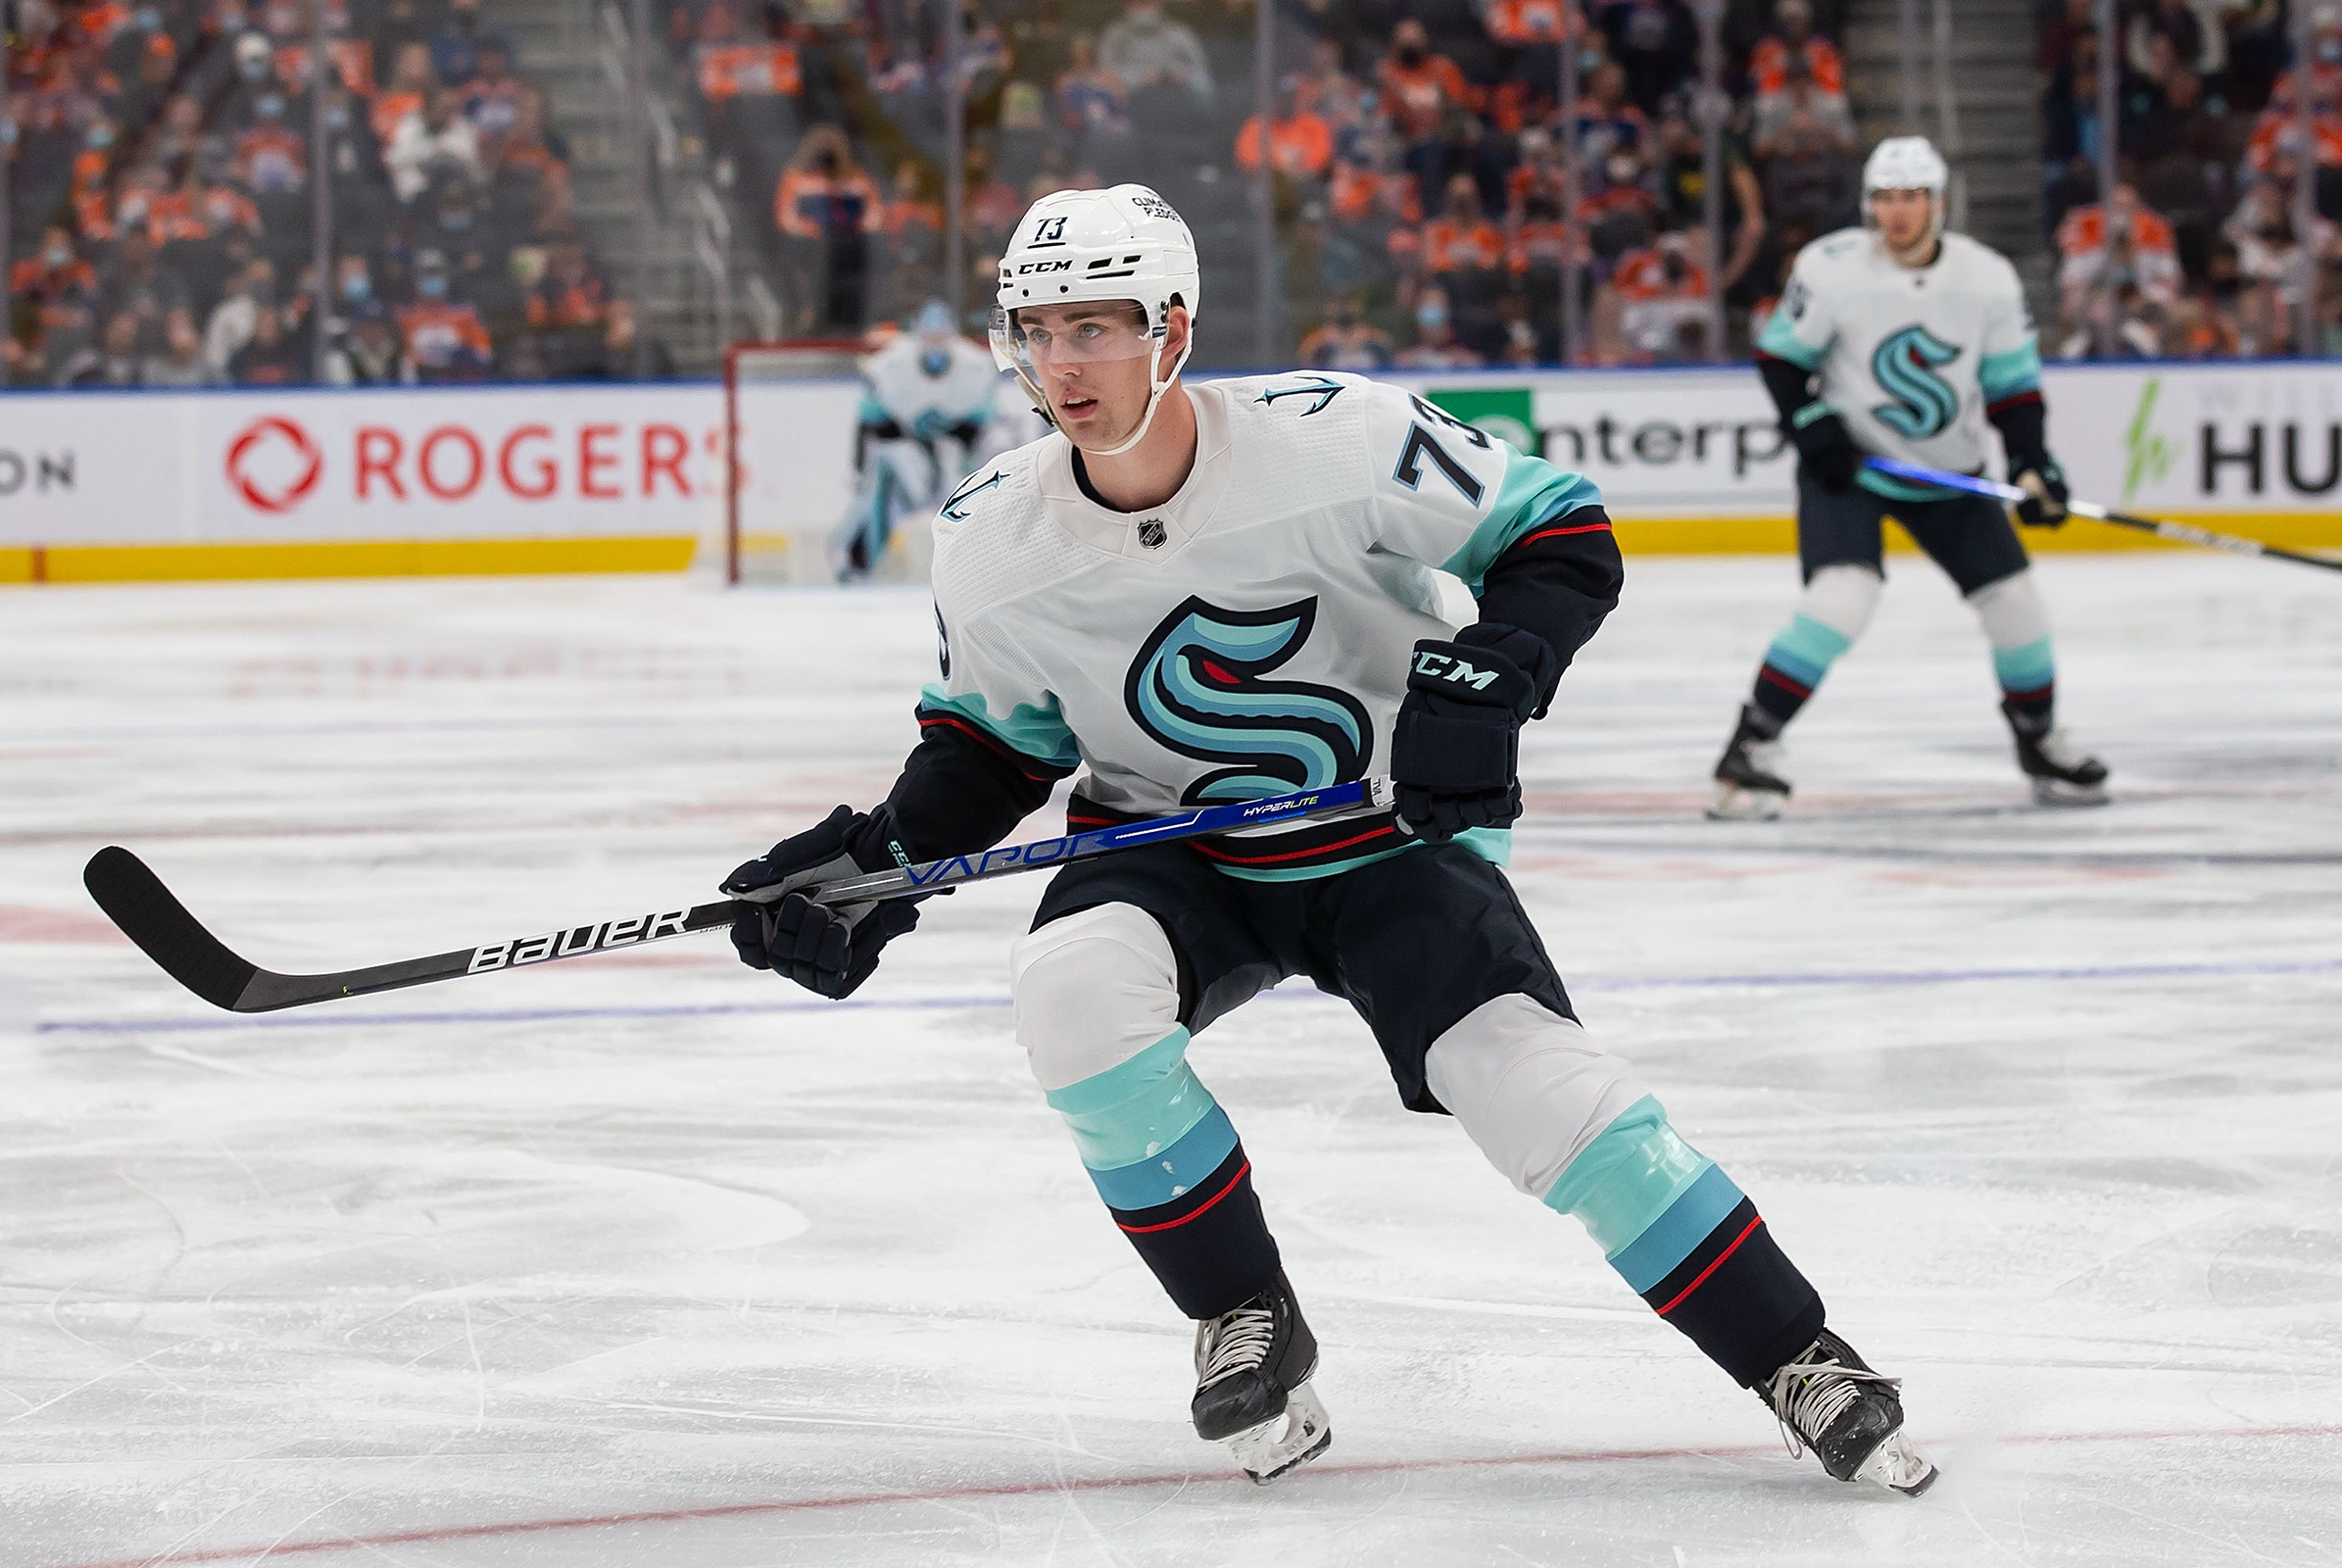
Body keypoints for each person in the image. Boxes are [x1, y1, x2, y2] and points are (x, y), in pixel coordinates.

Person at [720, 182, 1939, 1497]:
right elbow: (993, 748)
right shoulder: (988, 539)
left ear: (1172, 331)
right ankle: (1245, 1311)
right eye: (1037, 331)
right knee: (1069, 992)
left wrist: (1488, 680)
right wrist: (873, 864)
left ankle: (1794, 1354)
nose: (1063, 364)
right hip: (1167, 850)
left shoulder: (1339, 439)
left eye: (1097, 327)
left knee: (1532, 1089)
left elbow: (1562, 532)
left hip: (1387, 838)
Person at [1715, 136, 2108, 818]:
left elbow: (2012, 388)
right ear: (1870, 204)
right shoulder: (1833, 268)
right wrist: (1814, 426)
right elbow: (1781, 360)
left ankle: (2040, 741)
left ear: (1939, 203)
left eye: (1911, 198)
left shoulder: (1987, 277)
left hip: (1950, 476)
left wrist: (2032, 464)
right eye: (1886, 198)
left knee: (2017, 607)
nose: (1897, 213)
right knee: (1842, 599)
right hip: (1853, 470)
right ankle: (1751, 746)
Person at [832, 299, 1004, 581]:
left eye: (940, 336)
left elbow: (981, 430)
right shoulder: (888, 367)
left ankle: (988, 570)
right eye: (928, 335)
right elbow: (870, 423)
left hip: (955, 459)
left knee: (983, 505)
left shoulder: (977, 367)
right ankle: (857, 563)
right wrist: (861, 467)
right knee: (885, 485)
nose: (934, 343)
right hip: (907, 456)